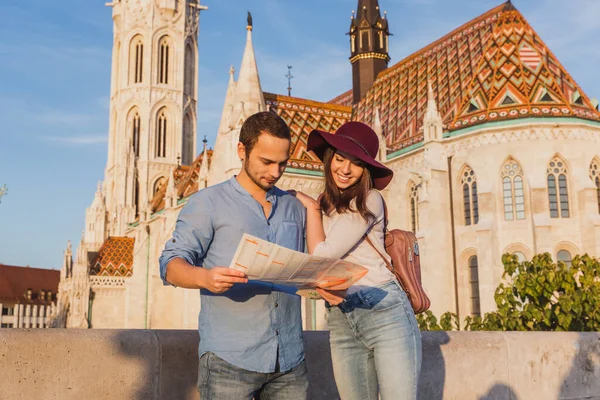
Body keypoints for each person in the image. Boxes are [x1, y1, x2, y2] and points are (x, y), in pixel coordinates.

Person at [159, 111, 342, 399]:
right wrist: (204, 277)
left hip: (290, 361)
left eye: (282, 164)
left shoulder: (294, 207)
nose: (275, 172)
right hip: (229, 362)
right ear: (242, 151)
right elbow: (170, 265)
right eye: (266, 162)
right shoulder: (207, 202)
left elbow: (312, 264)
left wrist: (322, 284)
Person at [292, 121, 422, 400]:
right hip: (340, 319)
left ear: (366, 170)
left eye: (355, 163)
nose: (345, 169)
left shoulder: (369, 199)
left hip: (384, 311)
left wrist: (312, 209)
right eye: (339, 159)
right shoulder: (325, 205)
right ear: (329, 159)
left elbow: (322, 256)